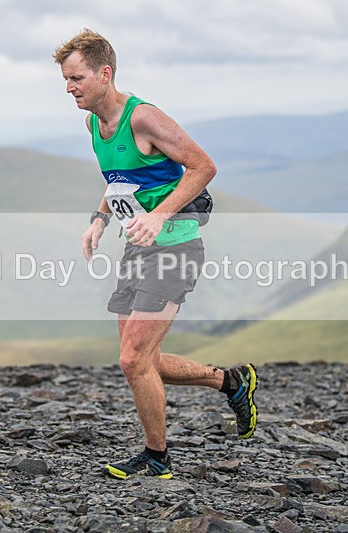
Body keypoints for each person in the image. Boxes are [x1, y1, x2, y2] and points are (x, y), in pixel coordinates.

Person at [54, 29, 258, 480]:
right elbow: (121, 180)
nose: (69, 87)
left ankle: (157, 457)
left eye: (77, 78)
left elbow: (203, 166)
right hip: (138, 247)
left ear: (105, 74)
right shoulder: (94, 125)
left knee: (133, 360)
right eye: (65, 79)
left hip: (176, 245)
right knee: (143, 359)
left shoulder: (143, 118)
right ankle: (231, 381)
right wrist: (99, 219)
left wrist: (161, 215)